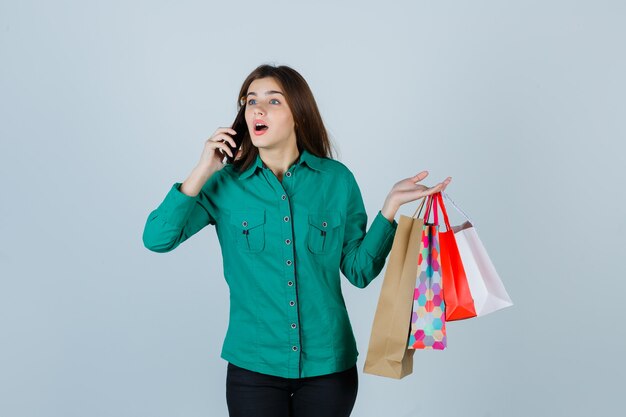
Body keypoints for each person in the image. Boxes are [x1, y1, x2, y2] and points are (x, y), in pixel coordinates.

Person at [142, 64, 451, 417]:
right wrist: (202, 169)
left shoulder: (336, 180)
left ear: (298, 116)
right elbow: (156, 239)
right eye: (250, 100)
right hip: (253, 367)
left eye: (273, 101)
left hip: (328, 368)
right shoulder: (223, 185)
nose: (257, 109)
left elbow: (359, 271)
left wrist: (390, 209)